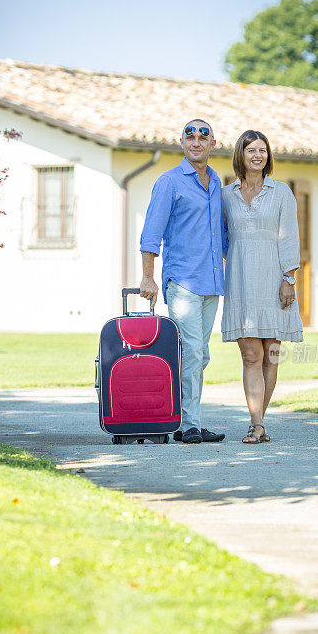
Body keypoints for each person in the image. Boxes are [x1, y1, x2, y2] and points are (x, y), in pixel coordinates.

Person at [139, 119, 226, 444]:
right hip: (183, 282)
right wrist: (148, 277)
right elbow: (151, 233)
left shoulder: (217, 183)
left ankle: (183, 417)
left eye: (203, 136)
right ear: (182, 143)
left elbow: (223, 236)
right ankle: (187, 424)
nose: (196, 141)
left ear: (212, 143)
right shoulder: (170, 182)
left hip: (212, 283)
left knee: (200, 355)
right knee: (190, 351)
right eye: (190, 136)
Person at [221, 130, 303, 443]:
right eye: (251, 150)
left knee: (272, 354)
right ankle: (257, 423)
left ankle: (259, 422)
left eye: (263, 150)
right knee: (251, 355)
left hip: (275, 280)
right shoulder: (226, 195)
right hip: (241, 280)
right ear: (240, 155)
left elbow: (290, 237)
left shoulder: (282, 192)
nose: (258, 156)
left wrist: (289, 278)